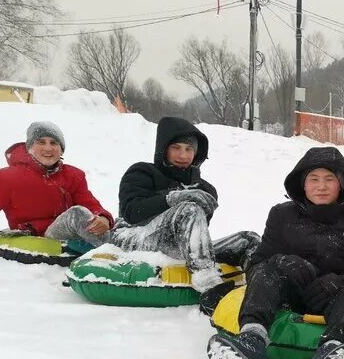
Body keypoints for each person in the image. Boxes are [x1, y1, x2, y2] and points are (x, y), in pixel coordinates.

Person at [206, 146, 344, 359]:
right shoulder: (282, 214)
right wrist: (282, 262)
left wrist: (340, 281)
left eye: (330, 179)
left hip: (336, 299)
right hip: (290, 295)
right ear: (302, 185)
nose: (321, 187)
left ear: (342, 184)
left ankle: (331, 356)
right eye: (313, 179)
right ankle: (252, 342)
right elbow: (257, 264)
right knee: (266, 274)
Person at [110, 116, 260, 299]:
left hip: (178, 247)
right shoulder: (142, 172)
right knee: (189, 209)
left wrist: (205, 209)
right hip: (133, 235)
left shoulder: (204, 188)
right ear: (163, 149)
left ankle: (258, 290)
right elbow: (132, 212)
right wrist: (173, 198)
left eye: (189, 149)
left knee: (248, 239)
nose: (183, 155)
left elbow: (195, 232)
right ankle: (209, 285)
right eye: (176, 148)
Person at [0, 121, 113, 263]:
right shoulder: (8, 178)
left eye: (54, 143)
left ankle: (119, 245)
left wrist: (104, 217)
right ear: (30, 147)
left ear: (61, 150)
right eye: (41, 142)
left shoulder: (73, 175)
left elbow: (89, 203)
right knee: (76, 214)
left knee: (119, 223)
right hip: (40, 235)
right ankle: (113, 256)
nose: (48, 148)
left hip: (69, 233)